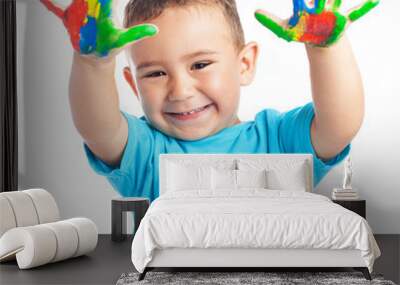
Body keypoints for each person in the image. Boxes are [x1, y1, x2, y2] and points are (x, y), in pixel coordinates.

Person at [40, 0, 379, 202]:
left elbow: (339, 126)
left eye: (200, 65)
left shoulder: (277, 138)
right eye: (155, 73)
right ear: (133, 84)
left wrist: (326, 49)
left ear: (244, 65)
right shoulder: (146, 151)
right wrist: (93, 64)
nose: (180, 90)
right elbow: (96, 127)